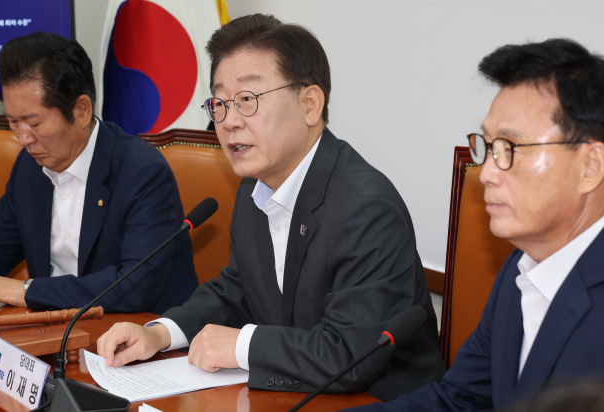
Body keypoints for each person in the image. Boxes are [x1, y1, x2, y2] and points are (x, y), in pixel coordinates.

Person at [97, 14, 444, 401]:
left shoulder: (367, 209)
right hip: (296, 395)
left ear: (310, 105)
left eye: (247, 100)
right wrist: (160, 334)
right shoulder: (254, 188)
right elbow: (236, 290)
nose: (229, 122)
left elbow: (350, 355)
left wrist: (241, 346)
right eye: (220, 103)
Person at [344, 38, 604, 411]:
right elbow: (459, 400)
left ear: (590, 166)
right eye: (489, 147)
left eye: (510, 148)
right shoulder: (519, 269)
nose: (486, 173)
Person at [0, 32, 198, 314]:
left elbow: (135, 286)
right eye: (13, 122)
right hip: (54, 329)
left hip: (139, 330)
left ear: (82, 111)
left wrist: (27, 291)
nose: (23, 138)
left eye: (34, 123)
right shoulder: (30, 167)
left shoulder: (143, 173)